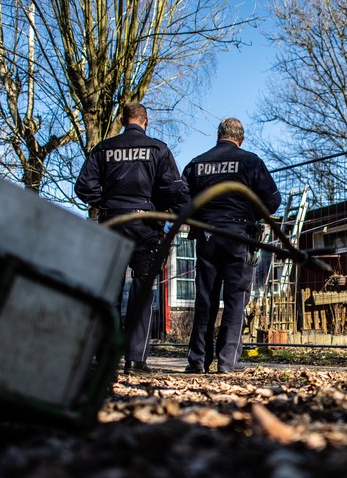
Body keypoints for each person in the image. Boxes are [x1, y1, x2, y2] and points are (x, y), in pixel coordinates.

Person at [75, 102, 189, 374]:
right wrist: (162, 209)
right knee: (142, 291)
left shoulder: (103, 148)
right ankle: (136, 359)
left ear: (122, 120)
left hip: (112, 222)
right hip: (145, 226)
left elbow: (83, 186)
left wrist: (106, 202)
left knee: (110, 292)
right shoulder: (158, 149)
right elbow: (172, 189)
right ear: (145, 121)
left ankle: (108, 355)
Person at [182, 118, 281, 374]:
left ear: (218, 136)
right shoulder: (251, 162)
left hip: (207, 235)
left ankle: (198, 360)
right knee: (236, 299)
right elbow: (272, 199)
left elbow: (182, 199)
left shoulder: (197, 163)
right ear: (241, 139)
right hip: (240, 235)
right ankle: (227, 362)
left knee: (206, 299)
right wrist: (253, 214)